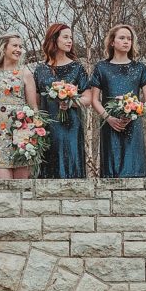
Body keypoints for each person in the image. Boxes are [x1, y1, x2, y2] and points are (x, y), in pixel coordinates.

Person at [87, 24, 146, 178]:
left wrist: (136, 112)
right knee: (112, 172)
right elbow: (94, 99)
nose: (126, 41)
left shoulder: (139, 68)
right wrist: (108, 118)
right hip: (110, 124)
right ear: (112, 42)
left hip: (133, 125)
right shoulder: (101, 68)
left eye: (129, 39)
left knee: (134, 170)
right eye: (122, 38)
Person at [33, 23, 91, 178]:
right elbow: (35, 102)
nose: (70, 41)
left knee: (70, 165)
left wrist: (71, 102)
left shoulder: (77, 68)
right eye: (65, 37)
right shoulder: (40, 69)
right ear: (54, 39)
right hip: (47, 126)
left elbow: (88, 98)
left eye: (71, 37)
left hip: (71, 125)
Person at [0, 34, 40, 179]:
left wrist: (34, 136)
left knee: (22, 185)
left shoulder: (25, 73)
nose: (19, 49)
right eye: (15, 45)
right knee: (2, 183)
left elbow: (33, 107)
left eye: (20, 46)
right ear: (3, 48)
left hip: (21, 131)